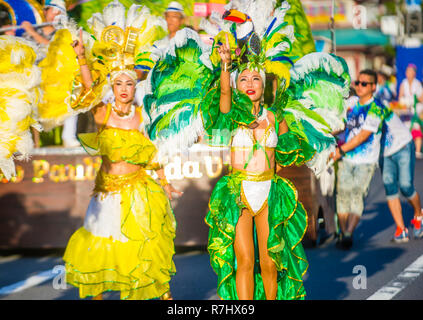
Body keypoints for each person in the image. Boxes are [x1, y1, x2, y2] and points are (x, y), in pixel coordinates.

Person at [201, 1, 350, 300]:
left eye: (255, 78)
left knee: (270, 262)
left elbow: (290, 150)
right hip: (238, 192)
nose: (250, 83)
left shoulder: (275, 116)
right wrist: (227, 64)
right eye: (243, 79)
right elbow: (225, 95)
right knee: (243, 261)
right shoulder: (230, 115)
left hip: (269, 192)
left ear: (263, 82)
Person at [61, 3, 182, 300]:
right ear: (113, 88)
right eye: (119, 84)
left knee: (142, 245)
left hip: (140, 192)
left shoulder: (142, 116)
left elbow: (153, 152)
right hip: (107, 194)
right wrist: (81, 59)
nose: (124, 88)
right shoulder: (103, 114)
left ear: (134, 86)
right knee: (101, 245)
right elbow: (89, 90)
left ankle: (161, 296)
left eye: (129, 83)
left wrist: (164, 182)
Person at [330, 70, 384, 250]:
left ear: (373, 87)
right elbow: (341, 123)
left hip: (366, 161)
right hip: (347, 159)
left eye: (364, 84)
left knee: (356, 195)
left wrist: (340, 150)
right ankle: (343, 232)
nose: (359, 86)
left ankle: (348, 233)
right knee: (343, 195)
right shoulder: (352, 103)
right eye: (358, 83)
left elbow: (362, 137)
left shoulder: (376, 108)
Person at [379, 100, 423, 242]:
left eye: (364, 84)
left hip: (402, 145)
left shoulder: (374, 105)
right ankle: (401, 229)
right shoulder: (351, 111)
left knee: (405, 186)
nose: (361, 87)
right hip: (384, 153)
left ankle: (418, 215)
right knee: (389, 186)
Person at [398, 64, 423, 159]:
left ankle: (417, 151)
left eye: (410, 71)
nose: (408, 73)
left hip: (416, 109)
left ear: (414, 73)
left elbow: (421, 98)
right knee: (404, 128)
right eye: (407, 71)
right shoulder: (403, 83)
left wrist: (414, 100)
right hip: (405, 110)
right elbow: (400, 96)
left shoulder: (417, 84)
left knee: (416, 127)